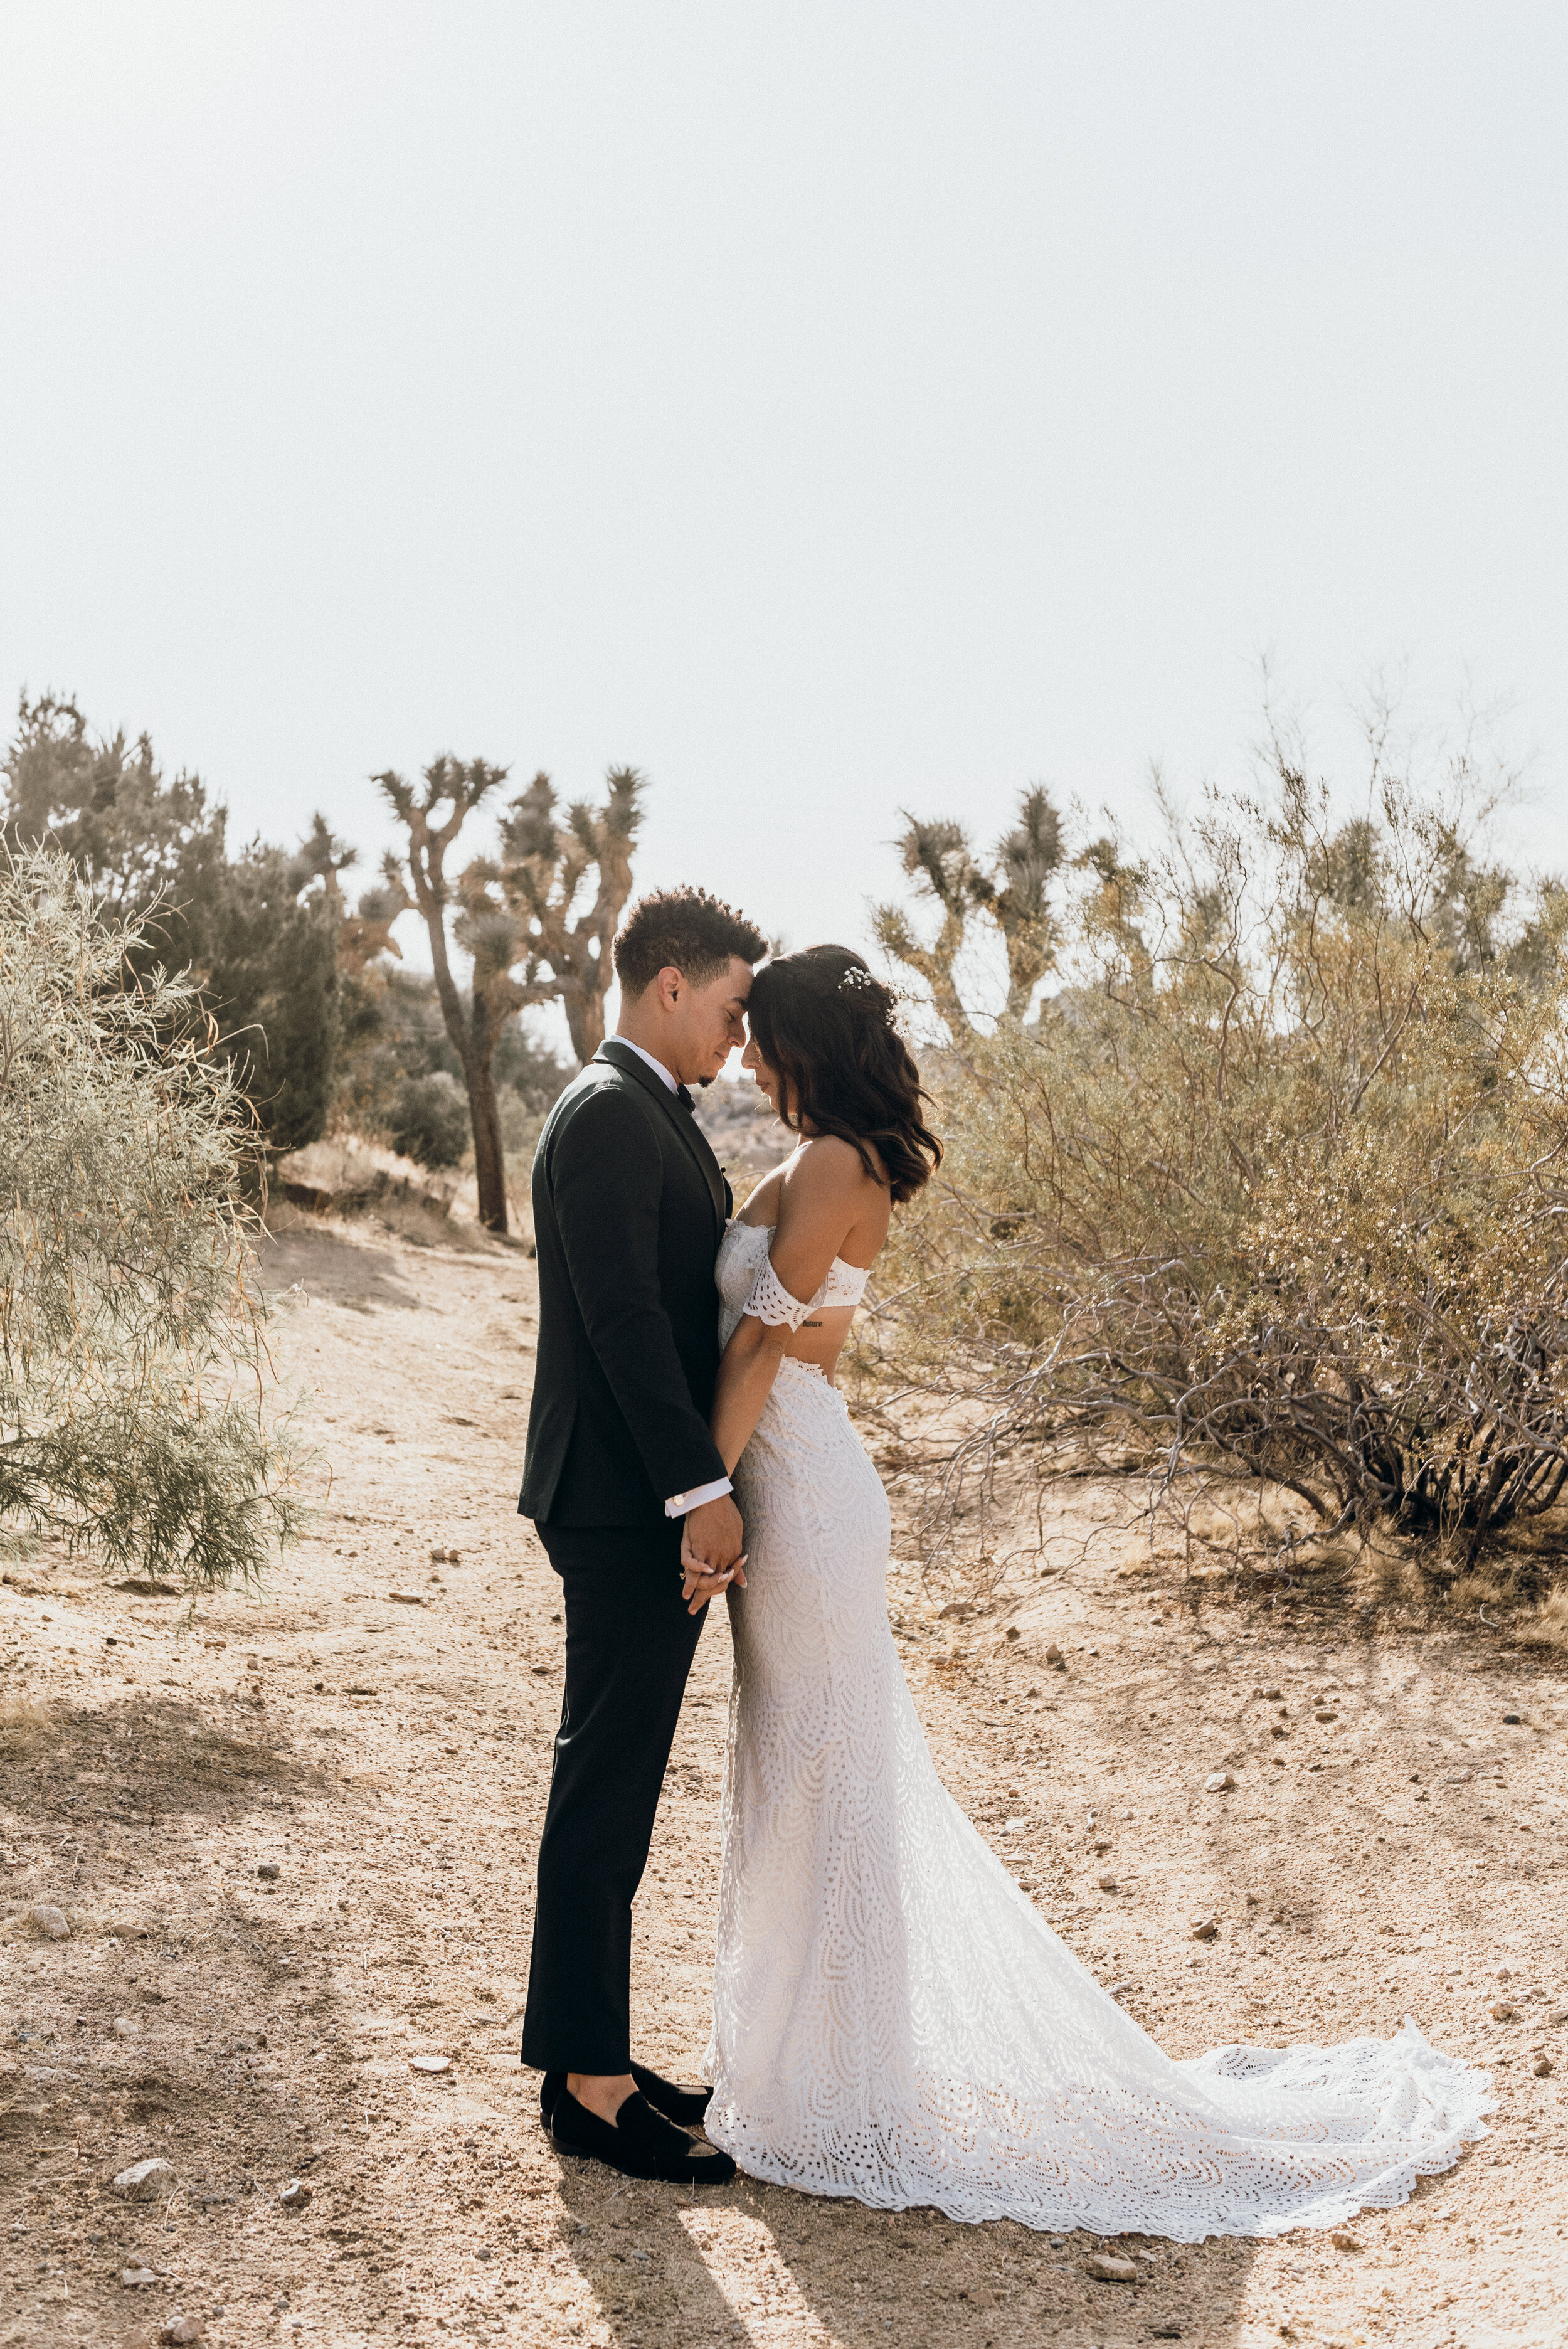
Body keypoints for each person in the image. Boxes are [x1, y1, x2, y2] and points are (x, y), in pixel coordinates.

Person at [691, 942, 1493, 2237]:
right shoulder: (828, 1157)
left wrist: (701, 1502)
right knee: (801, 1764)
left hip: (795, 1485)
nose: (747, 1057)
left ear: (798, 1046)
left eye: (759, 1036)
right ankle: (810, 2067)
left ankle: (841, 2082)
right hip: (794, 1477)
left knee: (825, 1768)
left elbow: (757, 1342)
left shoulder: (833, 1162)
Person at [518, 884, 766, 2185]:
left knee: (609, 1781)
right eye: (729, 1007)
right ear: (668, 983)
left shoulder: (630, 1107)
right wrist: (694, 1489)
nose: (736, 1037)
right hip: (622, 1503)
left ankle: (587, 2054)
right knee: (604, 1784)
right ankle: (589, 2086)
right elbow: (620, 1320)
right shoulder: (612, 1112)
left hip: (623, 1496)